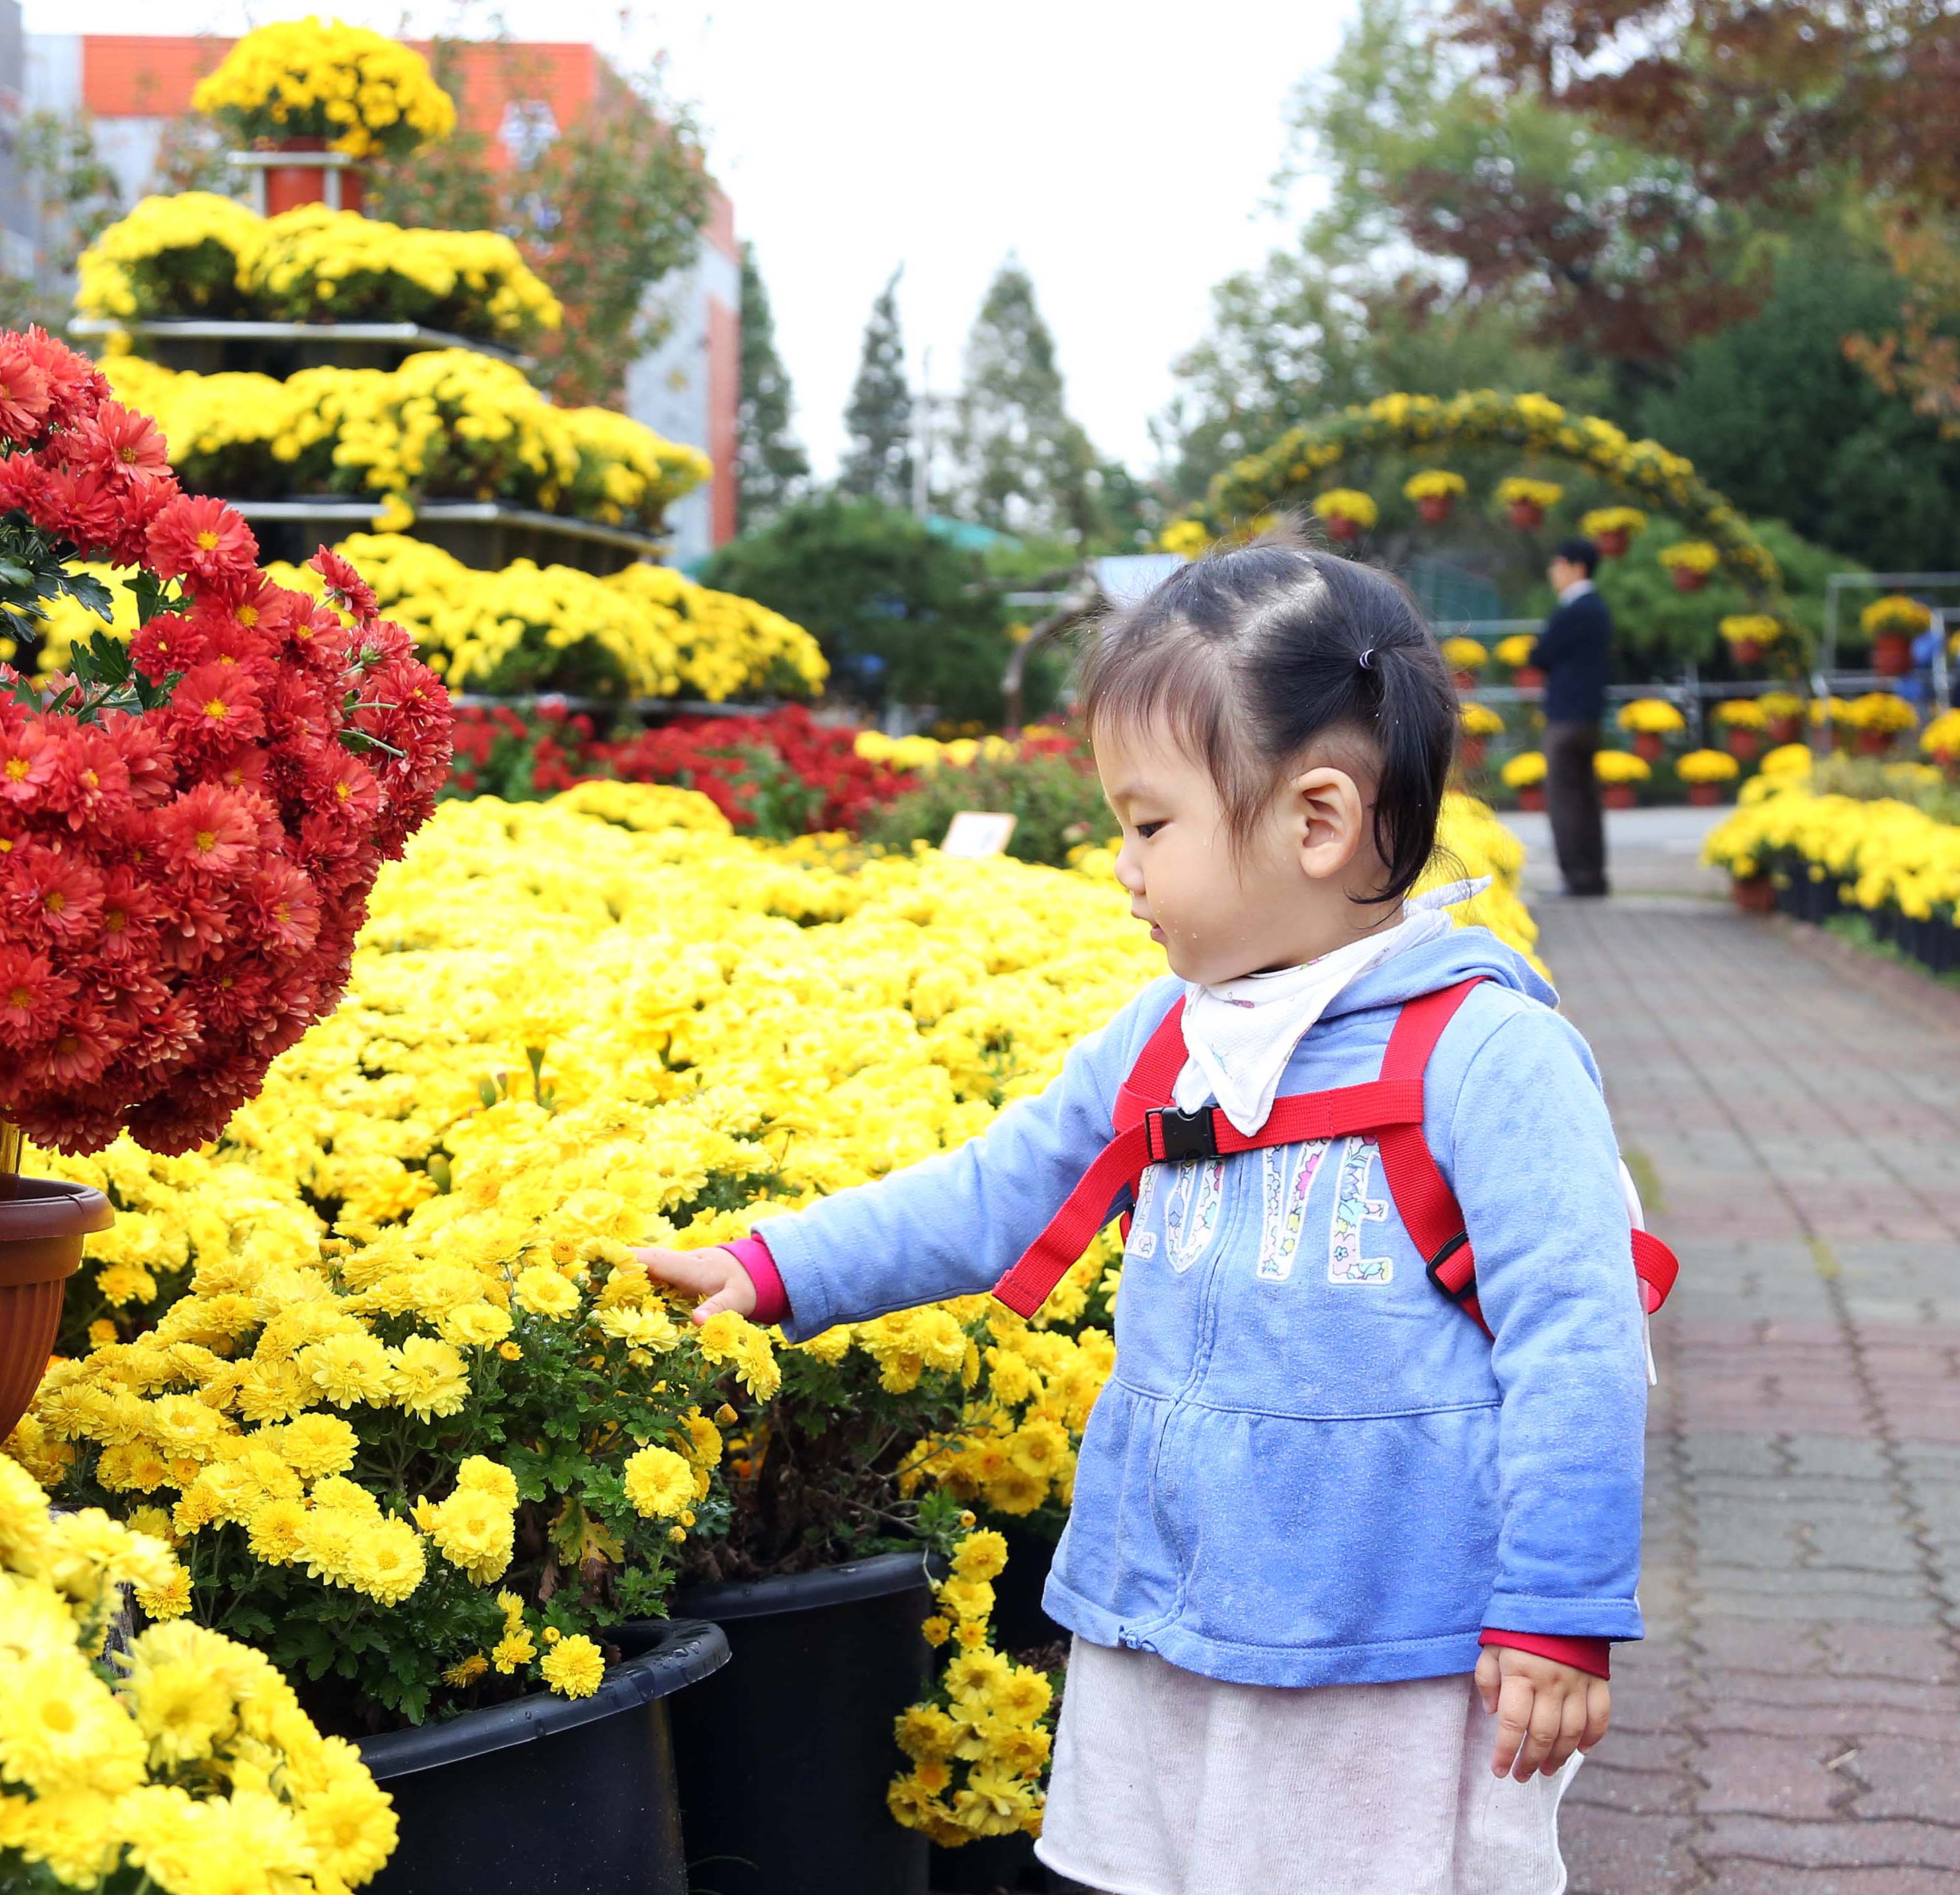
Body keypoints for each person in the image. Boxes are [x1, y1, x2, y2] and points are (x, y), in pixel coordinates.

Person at [641, 536, 1647, 1895]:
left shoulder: (1486, 1055)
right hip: (1166, 1622)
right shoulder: (1163, 1038)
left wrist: (1556, 1612)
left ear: (1317, 820)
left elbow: (1578, 1344)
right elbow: (999, 1186)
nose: (1120, 865)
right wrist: (772, 1266)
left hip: (1375, 1651)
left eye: (1150, 823)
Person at [1533, 541, 1612, 897]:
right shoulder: (1599, 608)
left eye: (1558, 563)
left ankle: (1575, 878)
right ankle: (1593, 875)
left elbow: (1541, 653)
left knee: (1565, 799)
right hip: (1590, 717)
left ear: (1577, 568)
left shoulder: (1573, 609)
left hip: (1565, 719)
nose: (1553, 572)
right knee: (1587, 800)